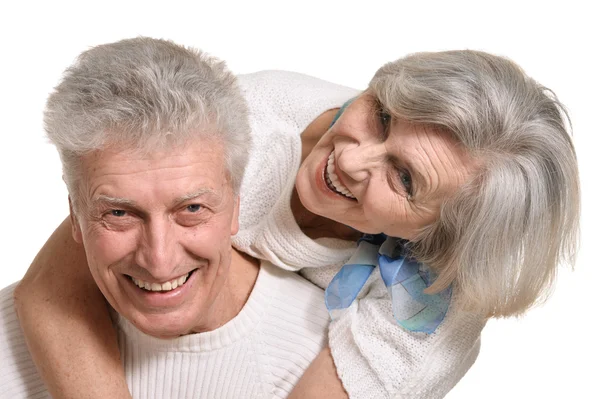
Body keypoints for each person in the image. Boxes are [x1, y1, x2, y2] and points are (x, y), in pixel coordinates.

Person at [12, 39, 580, 399]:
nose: (349, 158)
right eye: (381, 115)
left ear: (444, 235)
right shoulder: (251, 122)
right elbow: (54, 288)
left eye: (404, 179)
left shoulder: (429, 314)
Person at [0, 37, 333, 399]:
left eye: (191, 209)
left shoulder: (322, 359)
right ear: (75, 218)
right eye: (119, 213)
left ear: (237, 206)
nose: (159, 261)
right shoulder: (8, 341)